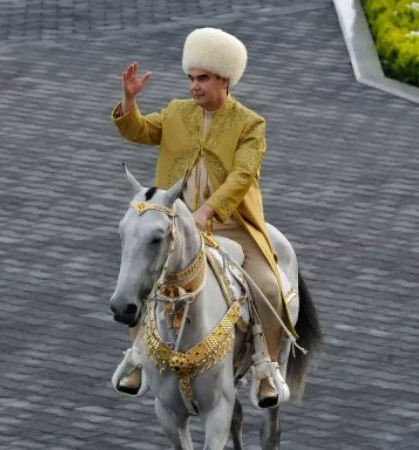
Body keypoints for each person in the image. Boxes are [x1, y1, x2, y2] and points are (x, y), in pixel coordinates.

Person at [110, 27, 293, 408]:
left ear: (224, 80)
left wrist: (208, 210)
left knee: (270, 287)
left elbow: (242, 176)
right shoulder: (177, 112)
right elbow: (139, 131)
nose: (194, 86)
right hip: (177, 223)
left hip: (231, 225)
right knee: (139, 274)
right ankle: (139, 357)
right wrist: (129, 101)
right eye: (191, 78)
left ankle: (265, 366)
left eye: (203, 78)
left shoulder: (250, 125)